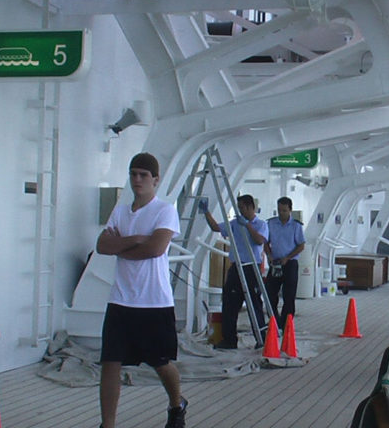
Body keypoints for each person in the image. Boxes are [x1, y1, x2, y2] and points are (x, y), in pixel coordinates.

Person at [96, 153, 187, 428]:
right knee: (110, 362)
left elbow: (156, 249)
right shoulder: (121, 211)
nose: (137, 180)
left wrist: (121, 247)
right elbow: (102, 246)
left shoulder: (164, 210)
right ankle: (107, 425)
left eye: (143, 175)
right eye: (133, 174)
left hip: (153, 302)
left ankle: (176, 403)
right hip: (121, 301)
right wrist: (135, 239)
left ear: (155, 180)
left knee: (161, 364)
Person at [200, 194, 268, 349]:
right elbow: (216, 227)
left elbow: (259, 240)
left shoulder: (261, 224)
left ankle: (261, 338)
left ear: (251, 207)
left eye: (242, 207)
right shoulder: (235, 224)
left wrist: (247, 226)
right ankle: (229, 340)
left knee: (254, 304)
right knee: (229, 303)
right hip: (236, 267)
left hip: (252, 268)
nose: (240, 211)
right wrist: (206, 212)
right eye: (238, 208)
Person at [264, 197, 305, 330]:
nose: (281, 213)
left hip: (290, 263)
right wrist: (269, 256)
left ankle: (287, 323)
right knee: (270, 293)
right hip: (275, 263)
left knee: (289, 295)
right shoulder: (270, 224)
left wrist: (287, 257)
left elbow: (301, 245)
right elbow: (265, 242)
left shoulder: (296, 226)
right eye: (279, 210)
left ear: (290, 210)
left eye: (284, 210)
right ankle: (273, 320)